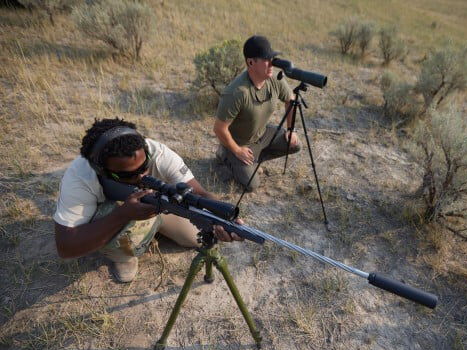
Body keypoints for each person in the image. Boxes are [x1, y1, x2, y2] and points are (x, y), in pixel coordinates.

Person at [54, 118, 242, 283]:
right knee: (110, 218)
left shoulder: (158, 153)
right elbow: (66, 247)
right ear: (102, 170)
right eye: (130, 174)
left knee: (197, 237)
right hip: (117, 211)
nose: (143, 174)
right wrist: (122, 214)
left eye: (145, 165)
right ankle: (123, 256)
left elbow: (199, 193)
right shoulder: (79, 177)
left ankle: (151, 228)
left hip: (157, 205)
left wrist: (224, 219)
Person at [214, 35, 301, 191]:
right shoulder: (237, 92)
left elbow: (290, 99)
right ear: (251, 62)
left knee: (295, 144)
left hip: (262, 135)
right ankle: (225, 156)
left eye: (273, 58)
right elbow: (219, 129)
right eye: (266, 59)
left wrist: (290, 129)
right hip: (239, 143)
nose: (272, 63)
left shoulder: (275, 80)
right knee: (252, 185)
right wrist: (237, 150)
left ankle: (253, 159)